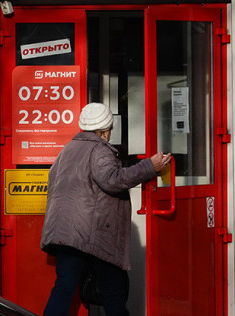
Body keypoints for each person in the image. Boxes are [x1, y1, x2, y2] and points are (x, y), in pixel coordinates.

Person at [40, 102, 171, 316]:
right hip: (92, 234)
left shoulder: (68, 149)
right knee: (113, 292)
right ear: (105, 130)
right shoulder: (99, 150)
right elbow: (112, 180)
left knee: (63, 289)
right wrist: (149, 166)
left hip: (66, 234)